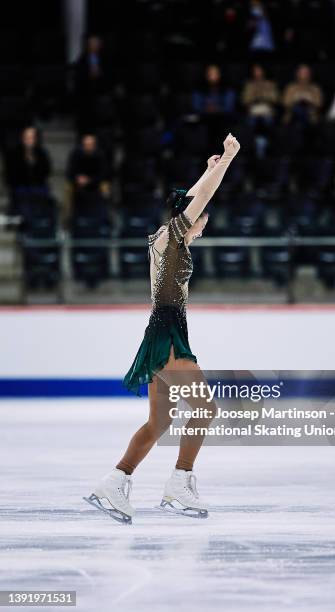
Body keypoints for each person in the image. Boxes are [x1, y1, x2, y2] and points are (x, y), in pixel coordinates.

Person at [85, 134, 241, 523]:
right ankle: (179, 482)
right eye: (201, 218)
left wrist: (207, 172)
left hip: (165, 330)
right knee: (205, 408)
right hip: (167, 332)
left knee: (160, 421)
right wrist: (225, 163)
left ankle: (114, 482)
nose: (203, 224)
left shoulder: (173, 244)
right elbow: (198, 200)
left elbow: (195, 197)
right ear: (187, 216)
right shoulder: (169, 237)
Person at [5, 127, 51, 209]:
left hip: (38, 186)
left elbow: (47, 171)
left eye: (31, 137)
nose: (29, 140)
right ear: (23, 138)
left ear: (35, 139)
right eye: (27, 137)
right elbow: (10, 172)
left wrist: (34, 162)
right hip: (20, 187)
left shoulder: (41, 153)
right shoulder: (14, 152)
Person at [65, 133, 110, 218]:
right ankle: (68, 220)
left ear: (94, 145)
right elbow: (70, 172)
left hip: (95, 183)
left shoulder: (100, 155)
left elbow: (103, 174)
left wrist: (89, 180)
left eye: (90, 144)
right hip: (78, 183)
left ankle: (105, 218)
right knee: (67, 188)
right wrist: (77, 179)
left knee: (105, 187)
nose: (88, 146)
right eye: (86, 144)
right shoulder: (76, 154)